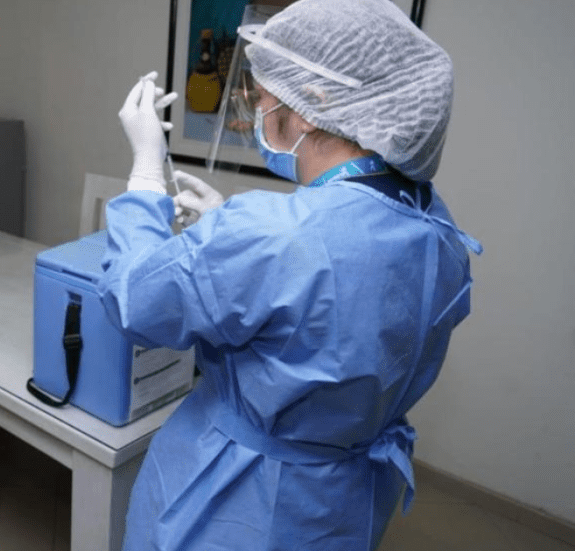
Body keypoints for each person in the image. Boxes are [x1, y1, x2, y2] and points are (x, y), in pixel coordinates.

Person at [101, 0, 482, 549]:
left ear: (312, 104)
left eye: (262, 96)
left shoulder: (273, 234)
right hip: (342, 503)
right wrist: (228, 236)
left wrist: (144, 176)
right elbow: (338, 293)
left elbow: (134, 300)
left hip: (234, 501)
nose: (257, 110)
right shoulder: (439, 232)